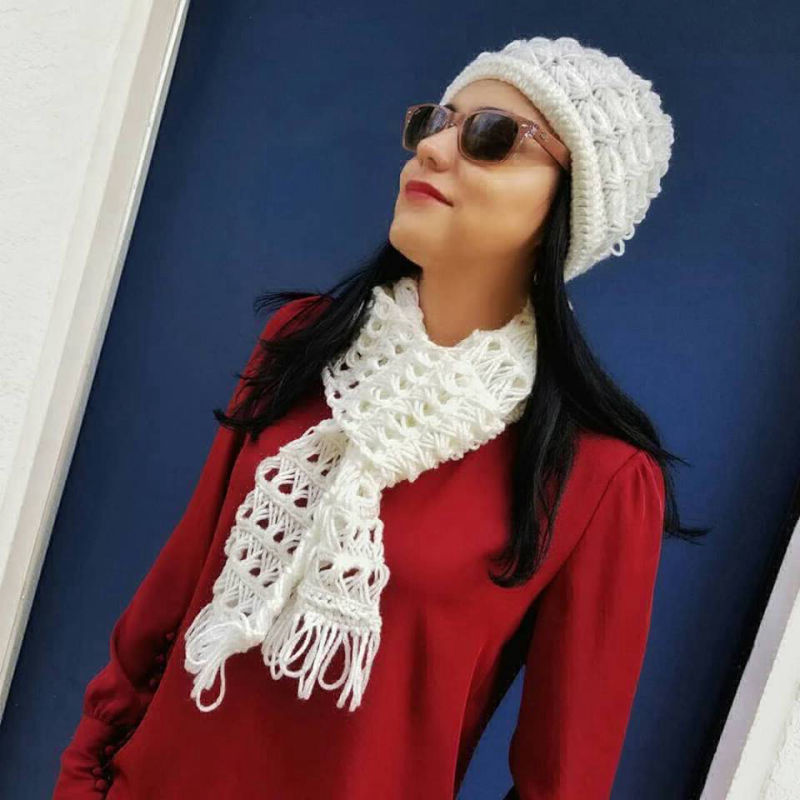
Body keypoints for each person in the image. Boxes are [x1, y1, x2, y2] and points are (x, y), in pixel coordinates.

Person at [53, 34, 706, 799]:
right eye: (435, 121)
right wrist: (83, 780)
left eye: (492, 137)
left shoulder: (599, 478)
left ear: (573, 205)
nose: (432, 149)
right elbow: (166, 605)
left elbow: (564, 780)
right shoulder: (301, 344)